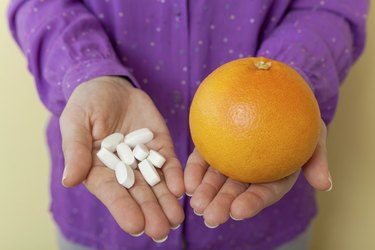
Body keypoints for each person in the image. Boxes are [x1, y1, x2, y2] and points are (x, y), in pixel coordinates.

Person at [8, 0, 369, 249]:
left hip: (265, 215)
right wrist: (86, 72)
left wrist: (284, 83)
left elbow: (330, 6)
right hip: (100, 207)